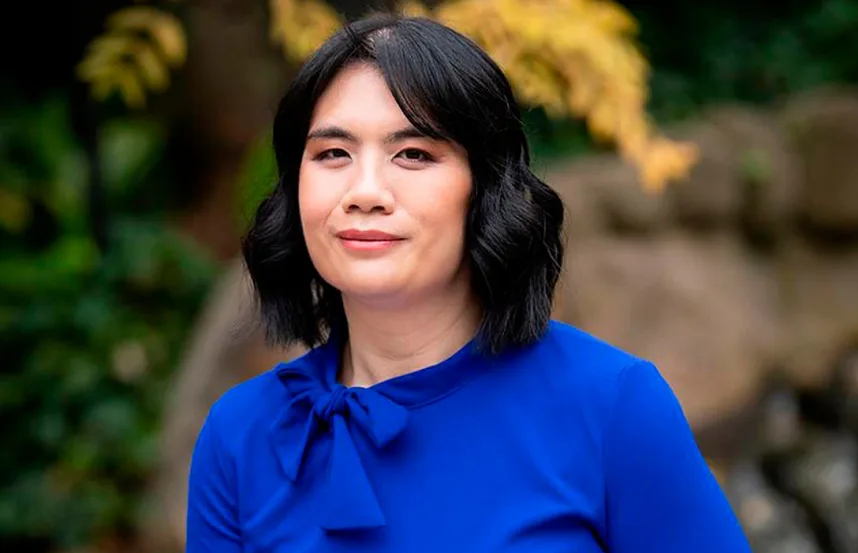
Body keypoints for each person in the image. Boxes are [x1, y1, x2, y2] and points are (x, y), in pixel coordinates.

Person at [185, 13, 752, 553]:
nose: (364, 192)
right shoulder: (240, 435)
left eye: (413, 154)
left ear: (484, 190)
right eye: (332, 153)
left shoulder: (611, 405)